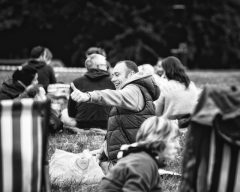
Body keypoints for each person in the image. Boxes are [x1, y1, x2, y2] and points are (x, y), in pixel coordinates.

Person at [70, 60, 160, 165]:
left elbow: (114, 95)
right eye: (112, 75)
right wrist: (102, 152)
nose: (113, 79)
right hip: (127, 158)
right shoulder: (136, 90)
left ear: (131, 74)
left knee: (72, 166)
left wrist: (88, 96)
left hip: (130, 164)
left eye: (117, 75)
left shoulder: (133, 90)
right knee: (77, 160)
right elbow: (118, 130)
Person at [99, 116, 179, 192]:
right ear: (159, 140)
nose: (178, 145)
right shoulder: (143, 163)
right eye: (173, 140)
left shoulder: (147, 160)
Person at [62, 54, 115, 129]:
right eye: (104, 65)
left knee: (64, 112)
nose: (107, 67)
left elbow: (71, 113)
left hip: (83, 123)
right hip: (108, 123)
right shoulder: (113, 81)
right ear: (98, 66)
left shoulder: (76, 82)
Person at [154, 56, 201, 123]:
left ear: (167, 71)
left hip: (169, 125)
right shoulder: (191, 85)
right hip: (190, 123)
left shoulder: (165, 87)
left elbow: (157, 113)